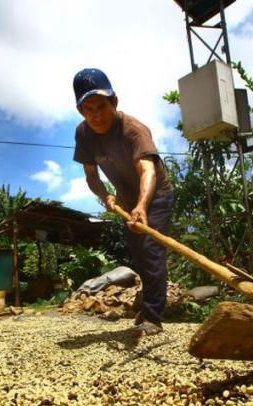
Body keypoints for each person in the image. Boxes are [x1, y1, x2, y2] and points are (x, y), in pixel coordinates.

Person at [72, 68, 174, 336]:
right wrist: (105, 196)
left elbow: (148, 171)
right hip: (127, 203)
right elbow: (91, 176)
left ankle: (153, 316)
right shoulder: (83, 134)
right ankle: (148, 304)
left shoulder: (133, 130)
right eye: (88, 109)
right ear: (81, 111)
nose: (96, 115)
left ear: (114, 102)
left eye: (101, 106)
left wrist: (142, 206)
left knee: (152, 253)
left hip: (156, 196)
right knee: (138, 254)